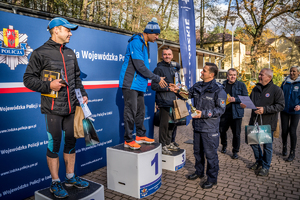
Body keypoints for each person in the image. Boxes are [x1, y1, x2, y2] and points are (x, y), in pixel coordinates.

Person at [23, 17, 89, 198]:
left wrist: (83, 94)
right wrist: (48, 86)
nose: (70, 34)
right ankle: (55, 182)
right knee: (54, 145)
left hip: (71, 108)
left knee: (71, 143)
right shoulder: (40, 53)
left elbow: (76, 78)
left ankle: (70, 177)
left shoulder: (70, 53)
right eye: (68, 30)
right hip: (52, 109)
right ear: (56, 31)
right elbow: (28, 79)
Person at [171, 63, 226, 189]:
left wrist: (203, 114)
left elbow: (221, 109)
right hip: (197, 127)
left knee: (211, 155)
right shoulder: (198, 86)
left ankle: (212, 179)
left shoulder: (219, 89)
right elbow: (187, 95)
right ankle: (199, 172)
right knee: (198, 152)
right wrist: (177, 91)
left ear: (211, 75)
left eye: (204, 71)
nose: (201, 72)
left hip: (210, 128)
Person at [119, 18, 167, 150]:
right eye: (156, 34)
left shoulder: (144, 43)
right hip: (130, 83)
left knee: (141, 111)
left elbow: (143, 67)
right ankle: (128, 139)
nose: (157, 37)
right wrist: (156, 78)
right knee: (131, 111)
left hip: (139, 84)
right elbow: (140, 66)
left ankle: (140, 135)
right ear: (149, 32)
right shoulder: (136, 42)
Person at [241, 68, 284, 176]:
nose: (259, 76)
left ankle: (265, 167)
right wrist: (245, 104)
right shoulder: (255, 89)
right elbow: (251, 101)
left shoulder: (276, 90)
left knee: (267, 147)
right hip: (254, 121)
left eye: (261, 75)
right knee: (253, 143)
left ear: (269, 77)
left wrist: (265, 110)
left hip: (267, 123)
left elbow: (281, 106)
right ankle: (259, 160)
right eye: (259, 74)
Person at [151, 48, 181, 155]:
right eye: (165, 54)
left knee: (172, 124)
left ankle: (169, 143)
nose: (167, 56)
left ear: (172, 55)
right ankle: (162, 145)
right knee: (164, 125)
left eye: (169, 54)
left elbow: (177, 84)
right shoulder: (158, 69)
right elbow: (154, 86)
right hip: (163, 101)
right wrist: (168, 88)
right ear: (162, 56)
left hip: (173, 100)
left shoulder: (174, 68)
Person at [219, 68, 248, 159]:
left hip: (236, 113)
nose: (233, 76)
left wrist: (236, 99)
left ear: (236, 76)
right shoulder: (222, 85)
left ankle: (235, 151)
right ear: (227, 76)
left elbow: (246, 98)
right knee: (222, 131)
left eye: (234, 75)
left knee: (236, 134)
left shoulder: (241, 85)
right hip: (224, 113)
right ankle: (224, 145)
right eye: (231, 75)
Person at [280, 66, 300, 162]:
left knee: (292, 131)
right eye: (291, 71)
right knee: (284, 130)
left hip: (295, 111)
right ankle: (284, 146)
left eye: (294, 71)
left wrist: (299, 106)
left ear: (298, 73)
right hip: (284, 110)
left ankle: (292, 152)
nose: (292, 73)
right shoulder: (284, 83)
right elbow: (279, 95)